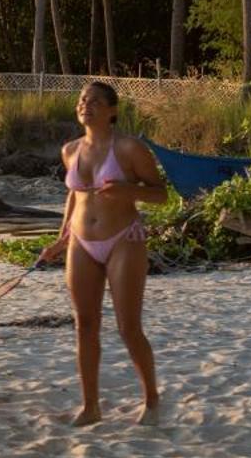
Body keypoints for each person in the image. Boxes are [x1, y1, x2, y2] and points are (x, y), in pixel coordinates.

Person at [39, 81, 166, 426]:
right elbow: (74, 196)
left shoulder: (129, 149)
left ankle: (152, 399)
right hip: (81, 240)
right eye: (82, 100)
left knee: (128, 327)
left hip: (124, 238)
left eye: (95, 101)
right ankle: (91, 406)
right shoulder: (70, 150)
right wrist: (62, 237)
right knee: (85, 325)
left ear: (112, 110)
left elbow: (161, 194)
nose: (86, 105)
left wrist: (127, 189)